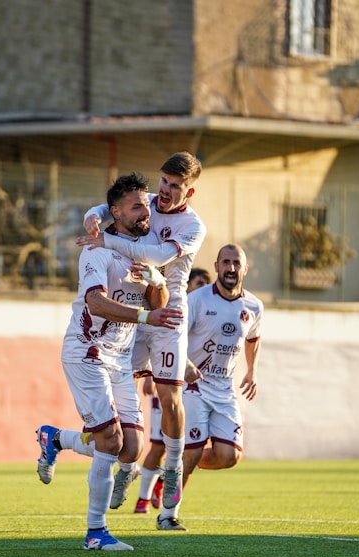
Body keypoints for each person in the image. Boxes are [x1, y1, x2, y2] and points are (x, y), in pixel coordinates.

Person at [36, 172, 183, 551]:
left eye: (146, 203)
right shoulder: (96, 249)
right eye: (137, 206)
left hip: (120, 359)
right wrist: (146, 318)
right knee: (111, 438)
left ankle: (55, 439)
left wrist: (158, 281)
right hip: (87, 352)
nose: (145, 211)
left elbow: (157, 305)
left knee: (131, 449)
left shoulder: (148, 246)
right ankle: (95, 532)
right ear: (115, 213)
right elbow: (95, 302)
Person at [77, 152, 206, 531]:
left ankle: (171, 479)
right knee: (120, 395)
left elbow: (157, 255)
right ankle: (129, 464)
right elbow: (109, 207)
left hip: (168, 314)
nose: (164, 192)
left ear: (190, 191)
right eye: (163, 182)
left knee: (170, 398)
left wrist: (105, 244)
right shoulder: (147, 203)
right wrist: (93, 216)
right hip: (134, 310)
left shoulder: (194, 226)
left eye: (175, 187)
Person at [162, 244, 263, 530]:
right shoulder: (197, 300)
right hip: (195, 385)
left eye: (236, 264)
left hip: (225, 388)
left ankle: (174, 468)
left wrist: (252, 370)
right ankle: (168, 515)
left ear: (245, 269)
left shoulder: (254, 306)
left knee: (230, 456)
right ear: (217, 266)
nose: (231, 269)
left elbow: (253, 338)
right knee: (193, 450)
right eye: (226, 263)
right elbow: (175, 335)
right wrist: (185, 367)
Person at [134, 266, 212, 514]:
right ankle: (143, 497)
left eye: (204, 285)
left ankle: (163, 489)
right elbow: (164, 337)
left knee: (183, 445)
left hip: (195, 388)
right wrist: (149, 376)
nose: (201, 289)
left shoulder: (199, 308)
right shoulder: (172, 301)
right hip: (167, 377)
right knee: (157, 445)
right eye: (197, 283)